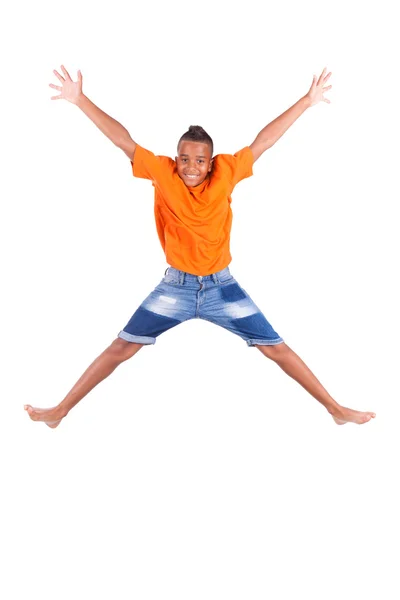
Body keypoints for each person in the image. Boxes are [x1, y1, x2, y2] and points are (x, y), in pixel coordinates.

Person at [24, 65, 375, 428]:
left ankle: (335, 408)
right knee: (120, 348)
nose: (191, 167)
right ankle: (60, 410)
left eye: (200, 161)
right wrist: (80, 99)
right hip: (175, 287)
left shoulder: (227, 172)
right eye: (185, 159)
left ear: (211, 163)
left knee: (276, 348)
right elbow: (122, 140)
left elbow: (264, 141)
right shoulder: (162, 173)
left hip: (222, 287)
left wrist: (307, 101)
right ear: (176, 159)